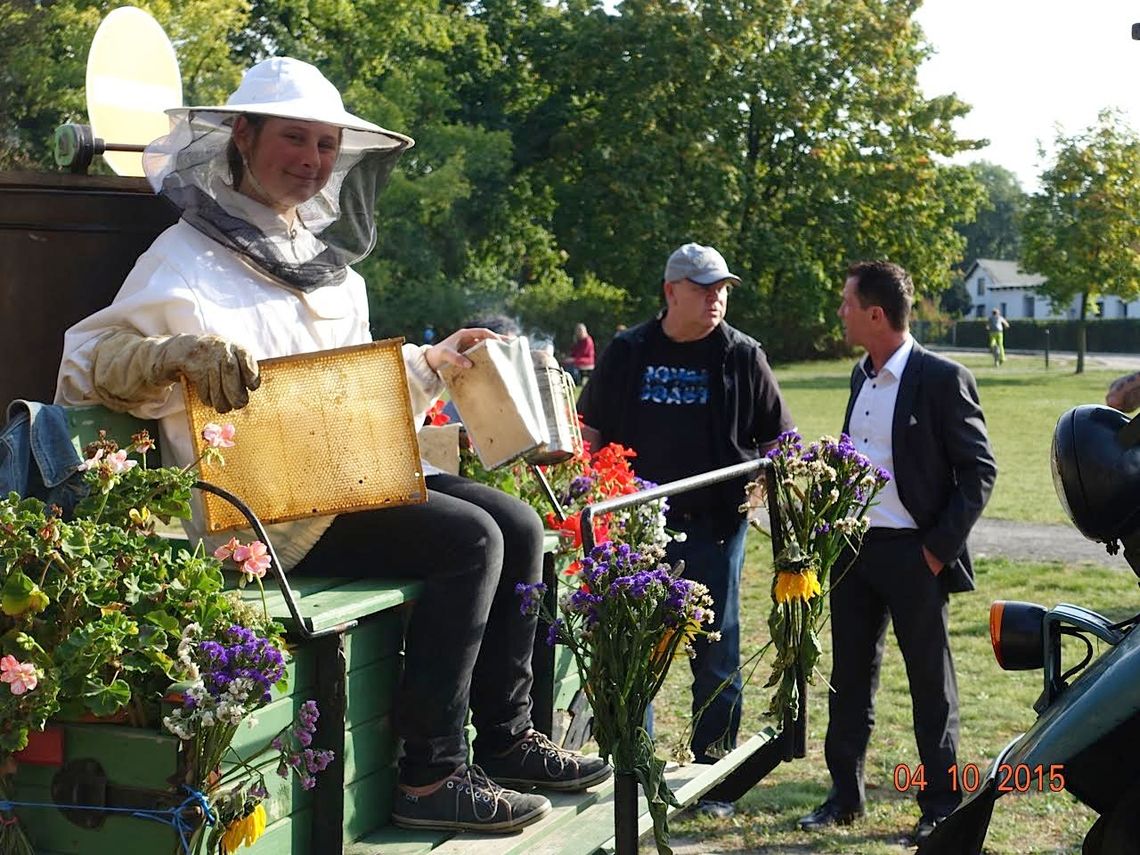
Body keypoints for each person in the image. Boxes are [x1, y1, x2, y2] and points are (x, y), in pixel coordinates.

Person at [54, 57, 609, 834]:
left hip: (334, 476)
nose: (312, 161)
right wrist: (173, 355)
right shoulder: (181, 258)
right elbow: (90, 362)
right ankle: (430, 774)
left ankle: (509, 738)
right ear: (242, 135)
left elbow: (349, 392)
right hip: (254, 512)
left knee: (515, 524)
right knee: (469, 540)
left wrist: (434, 363)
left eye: (324, 145)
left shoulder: (329, 272)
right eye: (294, 138)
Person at [577, 242, 794, 818]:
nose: (715, 298)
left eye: (721, 288)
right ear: (671, 291)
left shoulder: (743, 355)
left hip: (716, 526)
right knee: (632, 650)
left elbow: (778, 439)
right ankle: (631, 766)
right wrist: (586, 499)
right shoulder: (628, 352)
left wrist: (776, 489)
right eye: (703, 288)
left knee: (716, 652)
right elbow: (590, 431)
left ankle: (715, 779)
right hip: (634, 527)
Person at [798, 261, 996, 844]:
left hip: (916, 557)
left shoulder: (941, 377)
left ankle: (940, 805)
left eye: (847, 303)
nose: (840, 312)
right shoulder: (861, 376)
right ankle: (845, 796)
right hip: (852, 552)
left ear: (876, 314)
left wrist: (935, 552)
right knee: (848, 681)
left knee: (930, 686)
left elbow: (979, 470)